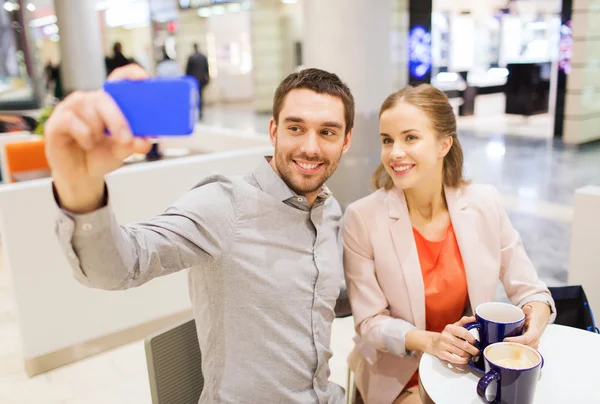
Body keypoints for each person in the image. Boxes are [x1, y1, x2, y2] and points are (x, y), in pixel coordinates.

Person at [44, 64, 354, 404]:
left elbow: (320, 300)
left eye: (327, 132)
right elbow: (121, 266)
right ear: (274, 130)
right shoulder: (225, 204)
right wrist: (80, 183)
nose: (310, 148)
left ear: (346, 141)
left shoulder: (329, 209)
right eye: (296, 128)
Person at [342, 84, 556, 404]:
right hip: (400, 375)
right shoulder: (362, 218)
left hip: (469, 373)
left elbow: (530, 290)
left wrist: (535, 323)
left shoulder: (485, 203)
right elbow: (370, 323)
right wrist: (431, 343)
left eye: (410, 137)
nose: (395, 152)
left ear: (445, 143)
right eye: (388, 140)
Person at [185, 43, 210, 119]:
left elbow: (188, 71)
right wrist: (207, 78)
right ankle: (200, 112)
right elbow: (206, 69)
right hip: (202, 79)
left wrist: (187, 79)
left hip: (193, 80)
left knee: (194, 97)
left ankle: (196, 112)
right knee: (201, 96)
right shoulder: (203, 57)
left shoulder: (191, 57)